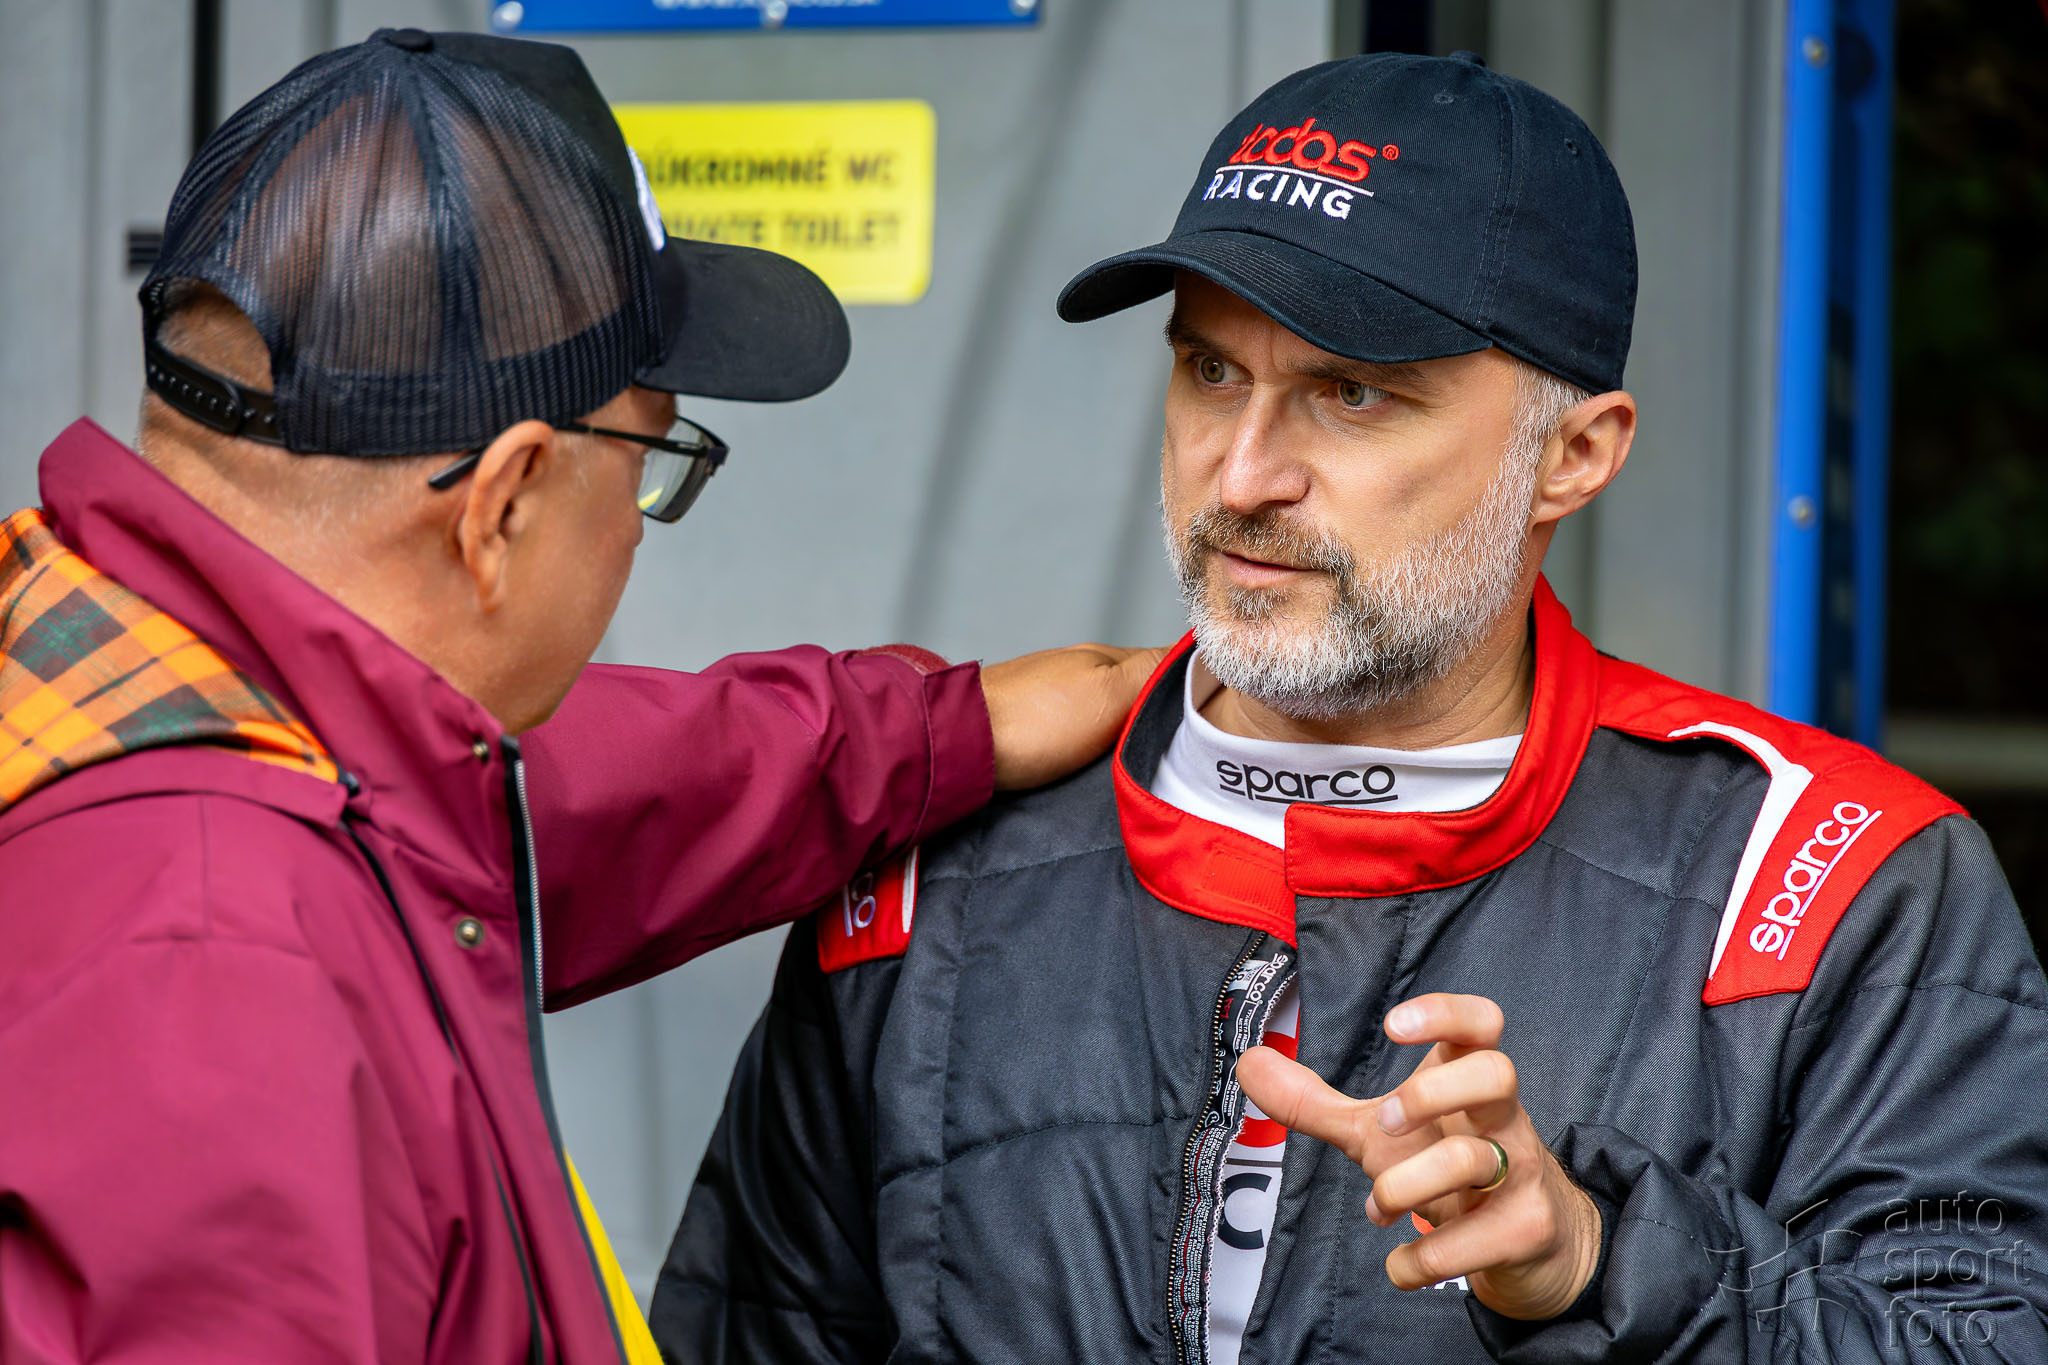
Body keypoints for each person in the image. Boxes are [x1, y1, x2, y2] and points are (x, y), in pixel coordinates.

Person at [654, 50, 2048, 1363]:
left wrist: (1598, 1264)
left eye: (1353, 393)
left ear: (1573, 455)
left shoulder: (1830, 885)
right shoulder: (932, 867)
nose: (1243, 474)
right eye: (1210, 370)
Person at [0, 28, 1159, 1364]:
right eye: (653, 460)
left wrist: (936, 730)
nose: (637, 525)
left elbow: (571, 792)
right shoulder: (219, 978)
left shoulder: (146, 693)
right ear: (503, 502)